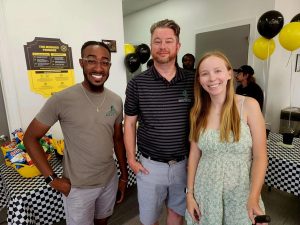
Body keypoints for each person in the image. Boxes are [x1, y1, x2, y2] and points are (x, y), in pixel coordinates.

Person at [23, 41, 128, 225]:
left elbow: (117, 139)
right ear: (81, 63)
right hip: (78, 188)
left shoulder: (116, 100)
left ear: (109, 66)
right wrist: (52, 180)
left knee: (103, 221)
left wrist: (123, 177)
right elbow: (30, 138)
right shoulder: (61, 99)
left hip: (109, 180)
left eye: (105, 62)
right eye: (91, 60)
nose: (98, 67)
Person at [124, 19, 194, 225]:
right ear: (151, 45)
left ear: (178, 46)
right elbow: (129, 123)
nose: (163, 46)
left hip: (184, 164)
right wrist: (131, 159)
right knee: (149, 219)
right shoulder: (137, 83)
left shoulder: (193, 80)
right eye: (157, 41)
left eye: (168, 41)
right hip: (150, 166)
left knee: (177, 214)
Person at [185, 51, 268, 225]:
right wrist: (190, 194)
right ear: (199, 79)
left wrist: (253, 198)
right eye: (204, 73)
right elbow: (194, 155)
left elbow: (260, 157)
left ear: (229, 73)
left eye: (218, 71)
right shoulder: (197, 112)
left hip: (241, 193)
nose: (212, 78)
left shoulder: (249, 105)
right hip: (205, 191)